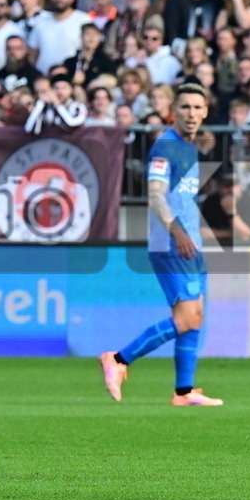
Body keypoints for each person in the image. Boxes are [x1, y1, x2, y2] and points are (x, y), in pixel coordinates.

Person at [98, 83, 224, 407]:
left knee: (195, 315)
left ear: (206, 111)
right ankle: (119, 359)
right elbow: (155, 195)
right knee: (185, 319)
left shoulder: (189, 148)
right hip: (170, 243)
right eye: (185, 107)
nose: (192, 114)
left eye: (198, 107)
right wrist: (178, 232)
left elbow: (181, 198)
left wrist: (193, 232)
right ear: (174, 110)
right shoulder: (164, 147)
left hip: (189, 242)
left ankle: (184, 391)